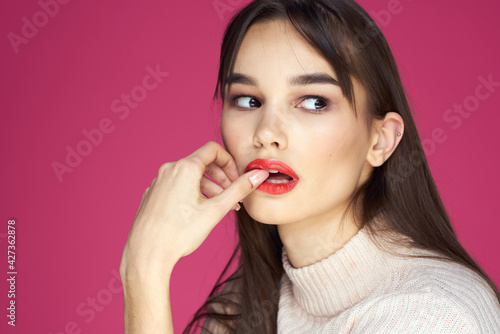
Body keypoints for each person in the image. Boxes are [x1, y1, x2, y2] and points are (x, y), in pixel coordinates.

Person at [119, 0, 500, 333]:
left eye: (314, 102)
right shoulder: (240, 309)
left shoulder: (434, 316)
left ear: (380, 140)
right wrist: (145, 269)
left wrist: (143, 271)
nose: (266, 133)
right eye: (248, 101)